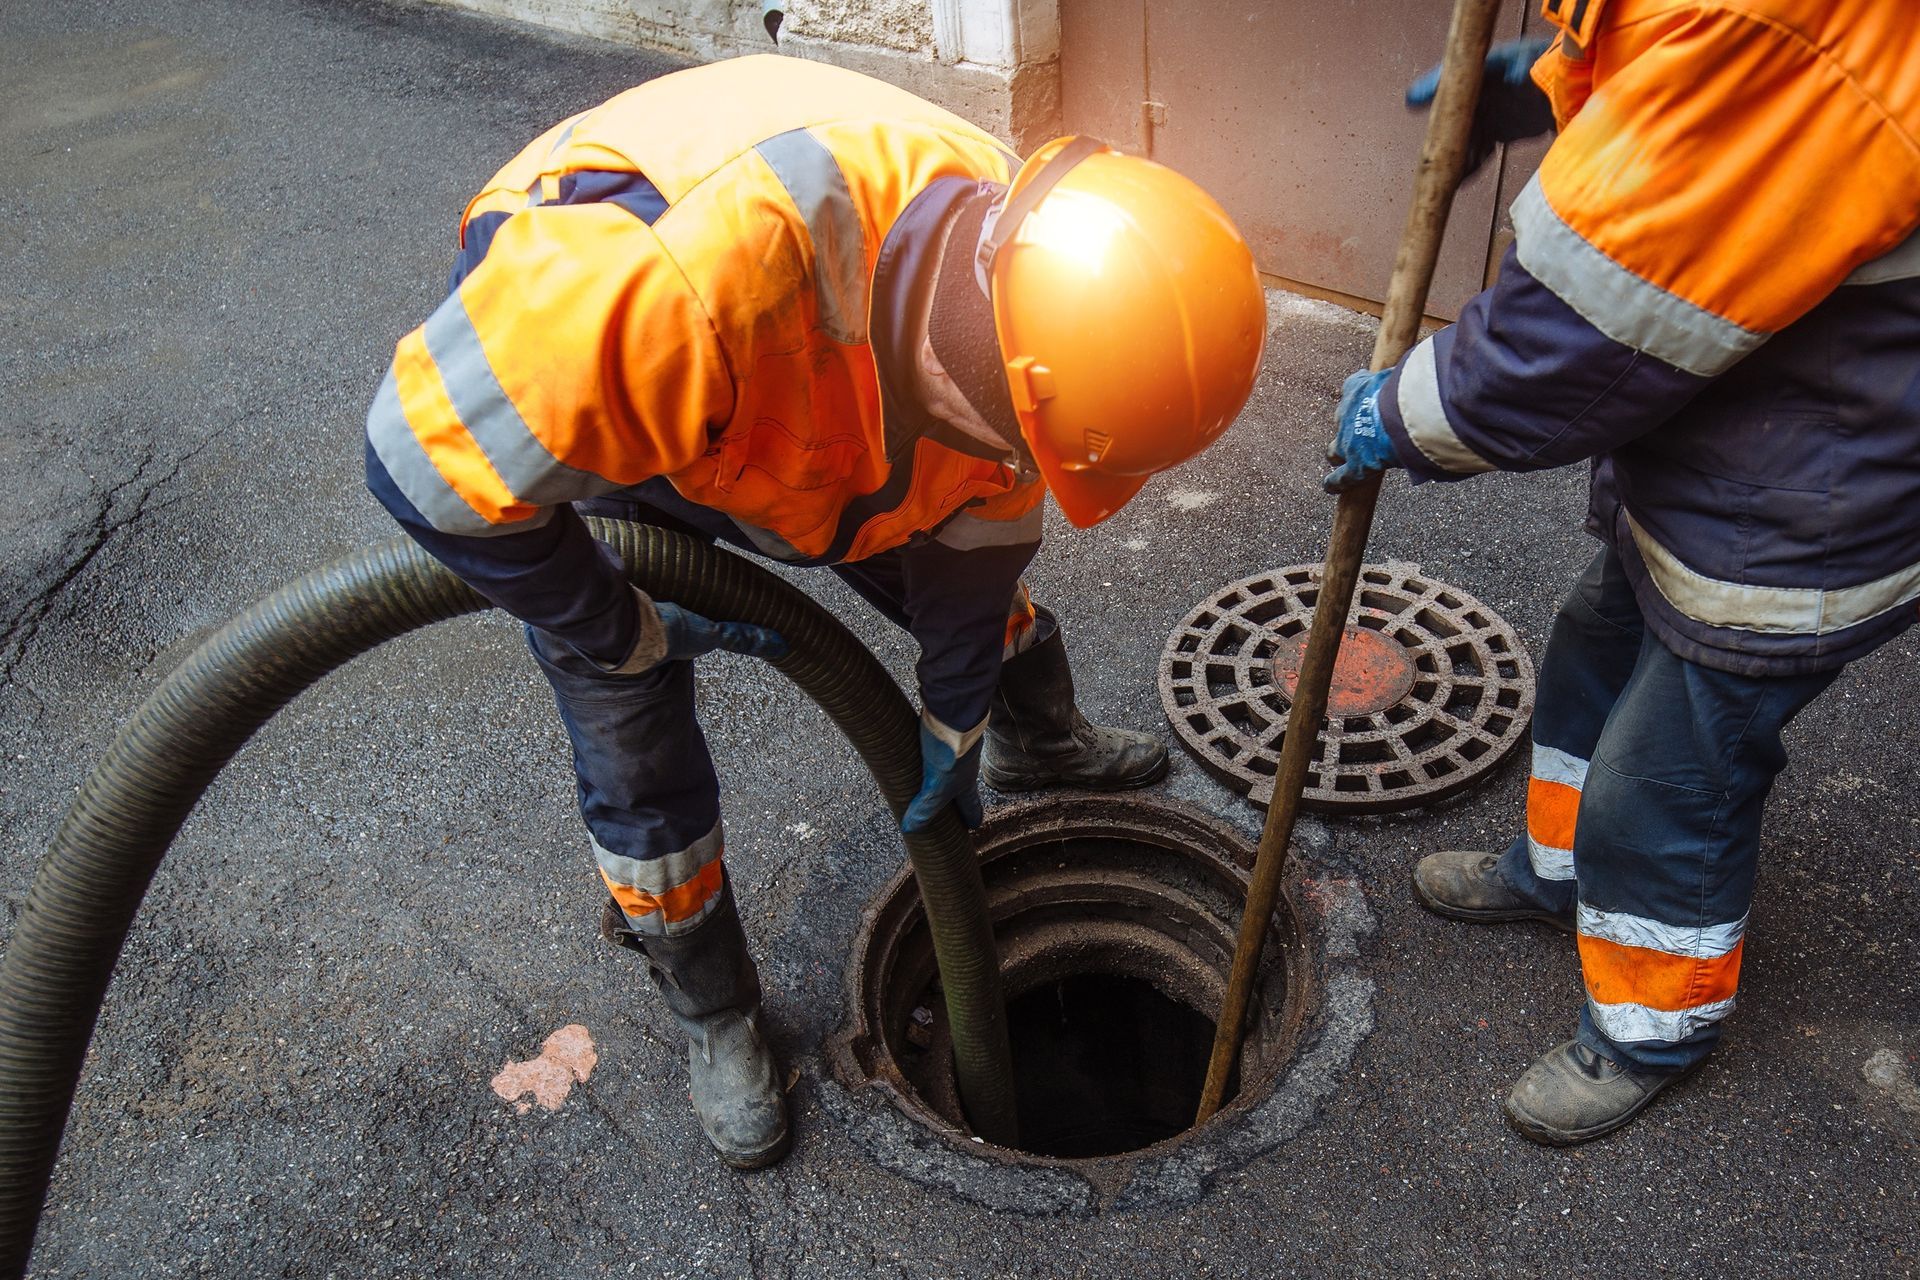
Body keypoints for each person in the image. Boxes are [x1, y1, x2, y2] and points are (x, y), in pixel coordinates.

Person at [364, 54, 1266, 1167]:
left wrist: (953, 725)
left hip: (813, 407)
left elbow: (980, 544)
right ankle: (715, 1008)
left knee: (967, 573)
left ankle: (1044, 741)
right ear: (1001, 377)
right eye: (1036, 451)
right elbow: (417, 465)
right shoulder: (658, 296)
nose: (1034, 472)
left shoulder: (1059, 295)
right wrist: (615, 620)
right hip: (646, 381)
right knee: (630, 726)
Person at [1328, 1, 1920, 1145]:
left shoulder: (1766, 19)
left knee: (1669, 774)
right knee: (1595, 641)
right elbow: (1666, 103)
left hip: (1815, 476)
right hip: (1734, 422)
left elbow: (1584, 327)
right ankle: (1559, 868)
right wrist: (1556, 81)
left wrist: (1407, 414)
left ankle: (1653, 1022)